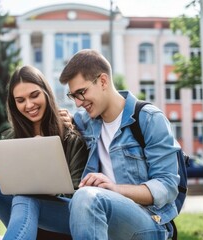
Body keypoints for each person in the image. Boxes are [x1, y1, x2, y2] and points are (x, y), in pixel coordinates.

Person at [0, 65, 88, 240]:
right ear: (14, 104)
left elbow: (81, 200)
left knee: (26, 195)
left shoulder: (71, 136)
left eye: (34, 95)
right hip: (24, 220)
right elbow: (7, 185)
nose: (29, 105)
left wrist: (44, 178)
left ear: (46, 93)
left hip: (63, 223)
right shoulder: (11, 138)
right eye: (20, 100)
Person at [59, 49, 181, 240]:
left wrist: (114, 189)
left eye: (81, 93)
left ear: (103, 81)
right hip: (101, 216)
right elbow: (63, 125)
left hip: (150, 222)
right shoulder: (85, 122)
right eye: (72, 96)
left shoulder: (149, 118)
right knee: (23, 198)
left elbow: (167, 185)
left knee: (85, 196)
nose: (78, 103)